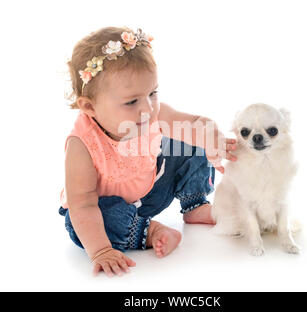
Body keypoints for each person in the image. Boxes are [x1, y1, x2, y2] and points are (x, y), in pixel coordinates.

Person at [59, 26, 237, 277]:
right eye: (131, 101)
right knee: (80, 224)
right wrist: (100, 250)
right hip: (108, 209)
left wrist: (213, 139)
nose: (147, 108)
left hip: (152, 188)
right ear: (90, 107)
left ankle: (194, 202)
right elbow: (83, 204)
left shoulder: (152, 112)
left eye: (152, 93)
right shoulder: (82, 145)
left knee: (188, 139)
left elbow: (195, 123)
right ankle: (149, 231)